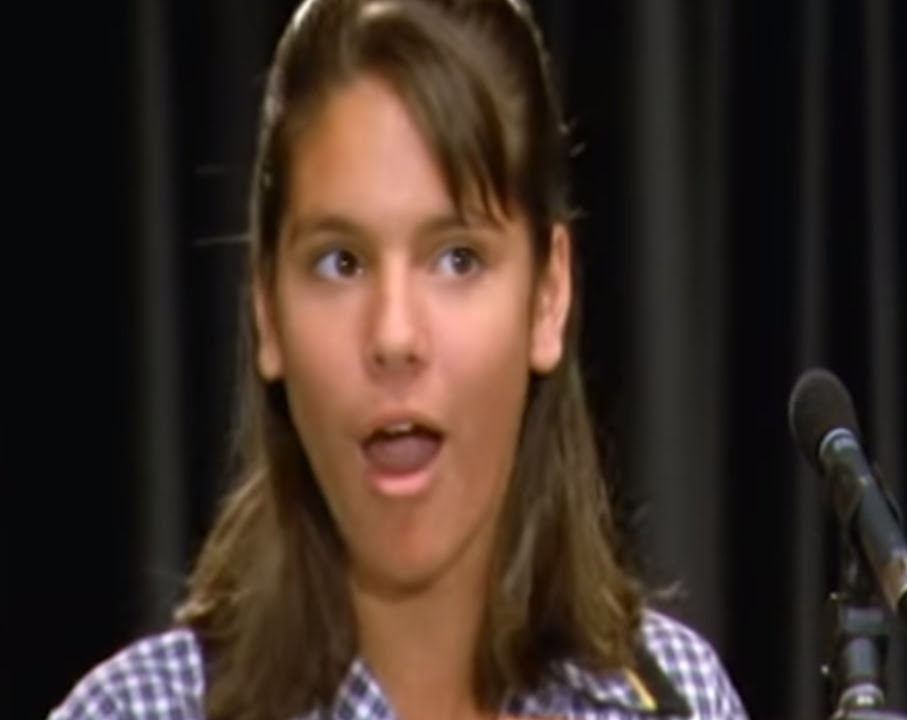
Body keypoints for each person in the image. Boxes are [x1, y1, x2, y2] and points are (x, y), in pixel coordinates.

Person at [50, 0, 747, 718]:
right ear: (268, 313)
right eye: (341, 263)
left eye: (456, 258)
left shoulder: (678, 699)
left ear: (548, 297)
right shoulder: (135, 710)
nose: (393, 335)